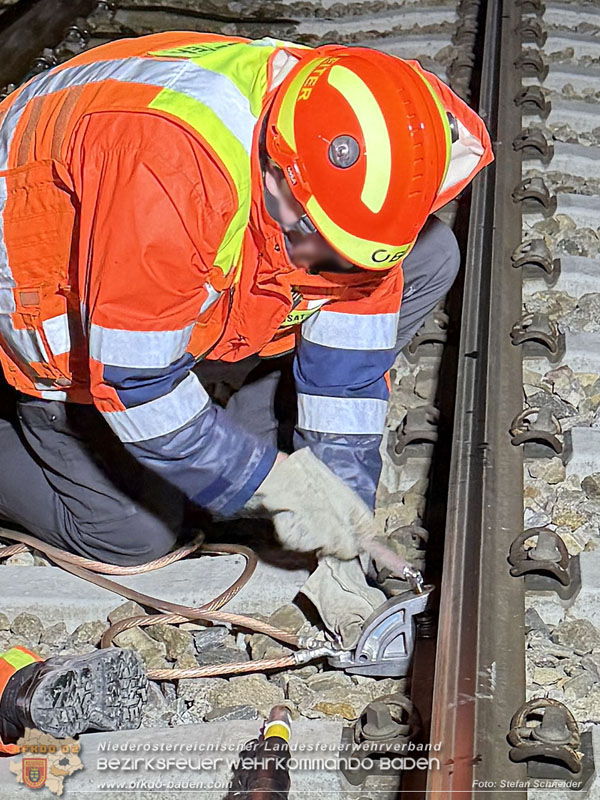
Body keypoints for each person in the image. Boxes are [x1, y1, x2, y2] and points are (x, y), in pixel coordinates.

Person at [0, 32, 492, 749]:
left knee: (428, 254)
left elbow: (351, 363)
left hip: (187, 300)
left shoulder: (349, 145)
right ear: (281, 170)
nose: (328, 263)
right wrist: (265, 483)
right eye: (314, 234)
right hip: (70, 342)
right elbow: (136, 384)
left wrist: (339, 486)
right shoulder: (169, 160)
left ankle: (221, 421)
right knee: (138, 534)